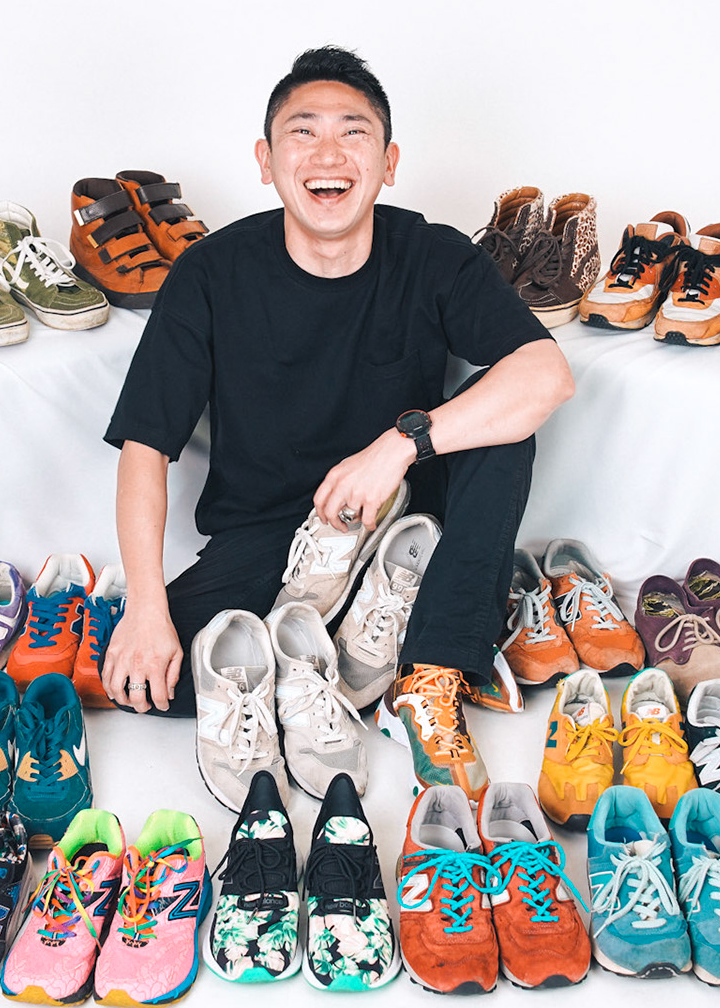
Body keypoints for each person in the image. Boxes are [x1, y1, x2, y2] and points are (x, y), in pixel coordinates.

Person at [97, 46, 575, 798]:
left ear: (388, 163)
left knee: (506, 416)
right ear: (266, 161)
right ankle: (347, 652)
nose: (328, 154)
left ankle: (430, 671)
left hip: (398, 511)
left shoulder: (433, 254)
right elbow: (145, 446)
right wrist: (146, 608)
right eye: (303, 132)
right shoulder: (211, 272)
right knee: (150, 683)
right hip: (271, 538)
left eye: (353, 133)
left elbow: (547, 374)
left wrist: (399, 446)